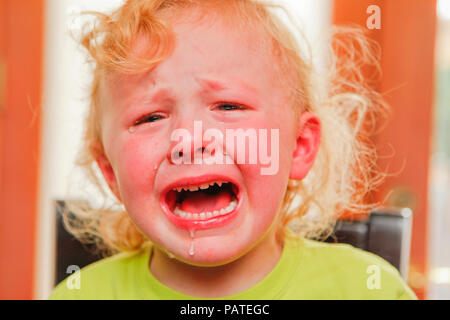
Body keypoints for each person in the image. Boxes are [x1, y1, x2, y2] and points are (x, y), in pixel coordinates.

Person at [50, 0, 417, 299]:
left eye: (228, 107)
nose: (189, 141)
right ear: (112, 173)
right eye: (149, 118)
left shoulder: (367, 289)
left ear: (299, 147)